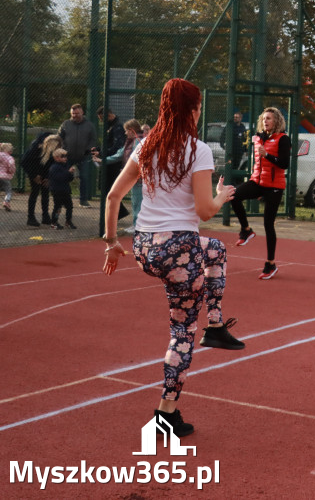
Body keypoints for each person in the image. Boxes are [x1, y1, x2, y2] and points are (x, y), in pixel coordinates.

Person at [101, 78, 244, 438]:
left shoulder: (146, 145)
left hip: (145, 247)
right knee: (181, 333)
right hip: (179, 249)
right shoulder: (198, 150)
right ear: (194, 110)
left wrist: (111, 242)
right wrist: (222, 194)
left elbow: (113, 197)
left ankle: (215, 324)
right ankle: (165, 414)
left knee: (216, 249)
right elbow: (204, 211)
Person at [230, 107, 290, 280]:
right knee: (234, 195)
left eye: (269, 119)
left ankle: (270, 264)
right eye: (264, 119)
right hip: (257, 181)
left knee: (268, 224)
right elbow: (257, 163)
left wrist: (269, 155)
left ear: (276, 121)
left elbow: (284, 164)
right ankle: (246, 230)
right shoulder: (258, 138)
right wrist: (254, 182)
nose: (266, 121)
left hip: (274, 186)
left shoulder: (283, 139)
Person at [102, 119, 144, 232]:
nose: (125, 133)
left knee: (137, 202)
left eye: (126, 131)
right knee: (136, 201)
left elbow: (135, 159)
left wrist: (129, 171)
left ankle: (137, 226)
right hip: (136, 177)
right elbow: (120, 154)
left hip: (139, 177)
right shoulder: (131, 142)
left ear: (131, 130)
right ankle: (137, 224)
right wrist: (102, 160)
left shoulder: (138, 142)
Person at [59, 103, 97, 207]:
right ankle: (63, 199)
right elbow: (59, 138)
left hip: (83, 156)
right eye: (72, 113)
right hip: (67, 156)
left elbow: (93, 139)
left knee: (84, 177)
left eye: (77, 113)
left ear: (82, 112)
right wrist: (63, 150)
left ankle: (83, 200)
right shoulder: (66, 124)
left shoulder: (89, 125)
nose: (74, 115)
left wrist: (88, 150)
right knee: (64, 177)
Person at [22, 132, 60, 227]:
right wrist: (34, 175)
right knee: (34, 193)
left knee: (45, 194)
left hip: (44, 174)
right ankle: (31, 217)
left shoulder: (53, 153)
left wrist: (48, 178)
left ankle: (45, 216)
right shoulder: (36, 149)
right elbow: (24, 162)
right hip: (35, 173)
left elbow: (52, 165)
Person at [94, 106, 126, 201]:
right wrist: (98, 149)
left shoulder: (118, 127)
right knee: (105, 189)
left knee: (110, 189)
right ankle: (110, 212)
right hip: (107, 160)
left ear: (108, 115)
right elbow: (109, 144)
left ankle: (115, 213)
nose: (101, 121)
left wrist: (101, 152)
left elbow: (117, 147)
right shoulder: (110, 126)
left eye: (102, 118)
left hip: (113, 164)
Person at [47, 148, 76, 229]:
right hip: (57, 190)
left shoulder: (65, 166)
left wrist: (70, 174)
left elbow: (69, 178)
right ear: (56, 158)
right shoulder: (54, 167)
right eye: (62, 156)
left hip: (65, 189)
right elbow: (58, 178)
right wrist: (68, 172)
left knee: (69, 206)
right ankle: (54, 222)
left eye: (65, 156)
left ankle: (68, 221)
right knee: (58, 207)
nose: (65, 158)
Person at [220, 112, 249, 183]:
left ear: (240, 118)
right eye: (234, 117)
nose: (235, 118)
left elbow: (245, 139)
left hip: (239, 151)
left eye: (237, 117)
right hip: (231, 151)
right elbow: (222, 136)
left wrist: (246, 150)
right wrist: (222, 145)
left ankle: (233, 182)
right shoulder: (230, 126)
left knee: (236, 166)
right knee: (229, 166)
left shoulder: (242, 127)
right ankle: (226, 181)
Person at [0, 142, 14, 211]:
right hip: (5, 176)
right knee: (8, 191)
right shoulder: (9, 157)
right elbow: (11, 164)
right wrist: (11, 171)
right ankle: (6, 201)